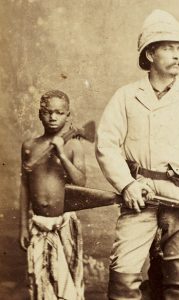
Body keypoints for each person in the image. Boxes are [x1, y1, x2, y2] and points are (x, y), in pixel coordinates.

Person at [96, 9, 179, 300]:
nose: (177, 56)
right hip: (139, 196)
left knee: (177, 278)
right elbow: (106, 144)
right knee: (124, 273)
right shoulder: (126, 96)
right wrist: (126, 185)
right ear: (150, 54)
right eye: (168, 48)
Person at [19, 90, 86, 300]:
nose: (53, 117)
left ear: (68, 115)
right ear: (40, 114)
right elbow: (24, 187)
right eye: (48, 112)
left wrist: (61, 155)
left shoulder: (74, 145)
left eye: (59, 112)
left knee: (67, 287)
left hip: (64, 225)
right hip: (38, 225)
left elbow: (81, 182)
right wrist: (22, 226)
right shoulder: (30, 146)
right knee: (40, 285)